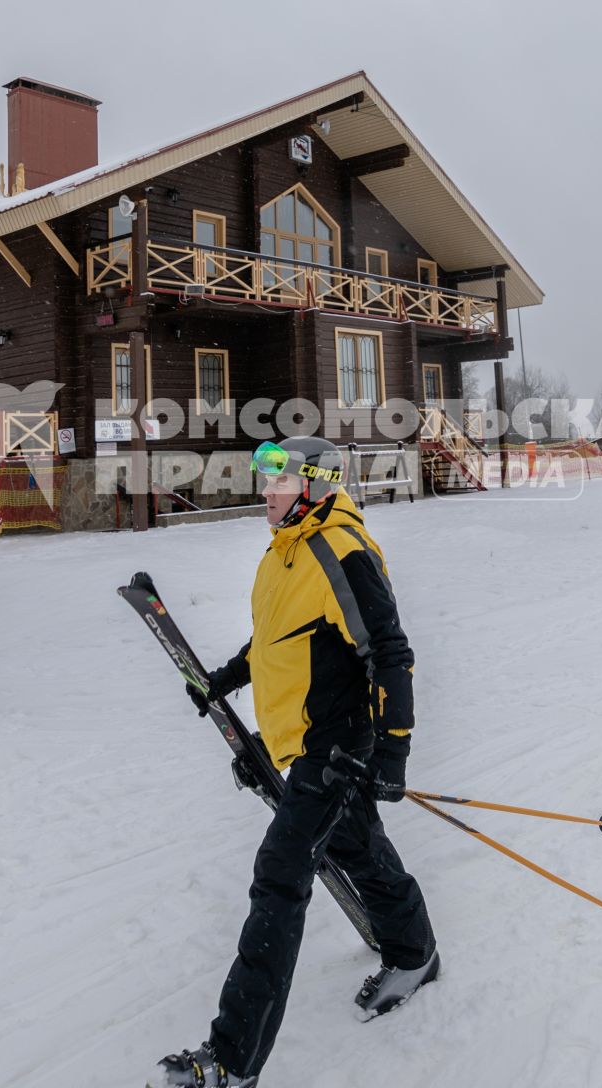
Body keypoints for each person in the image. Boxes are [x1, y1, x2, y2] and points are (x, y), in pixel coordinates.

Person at [151, 437, 437, 1088]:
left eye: (276, 481)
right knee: (358, 847)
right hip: (308, 740)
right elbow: (278, 636)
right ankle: (414, 952)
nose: (265, 491)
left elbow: (389, 653)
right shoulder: (285, 551)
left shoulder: (342, 549)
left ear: (314, 484)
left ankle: (231, 1061)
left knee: (280, 875)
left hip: (336, 746)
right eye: (263, 479)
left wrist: (392, 752)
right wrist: (226, 678)